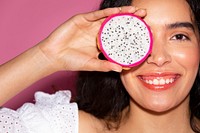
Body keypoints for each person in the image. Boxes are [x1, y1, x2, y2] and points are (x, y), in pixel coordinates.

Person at [0, 0, 200, 132]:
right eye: (137, 38)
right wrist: (46, 57)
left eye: (179, 36)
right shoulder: (63, 127)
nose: (158, 57)